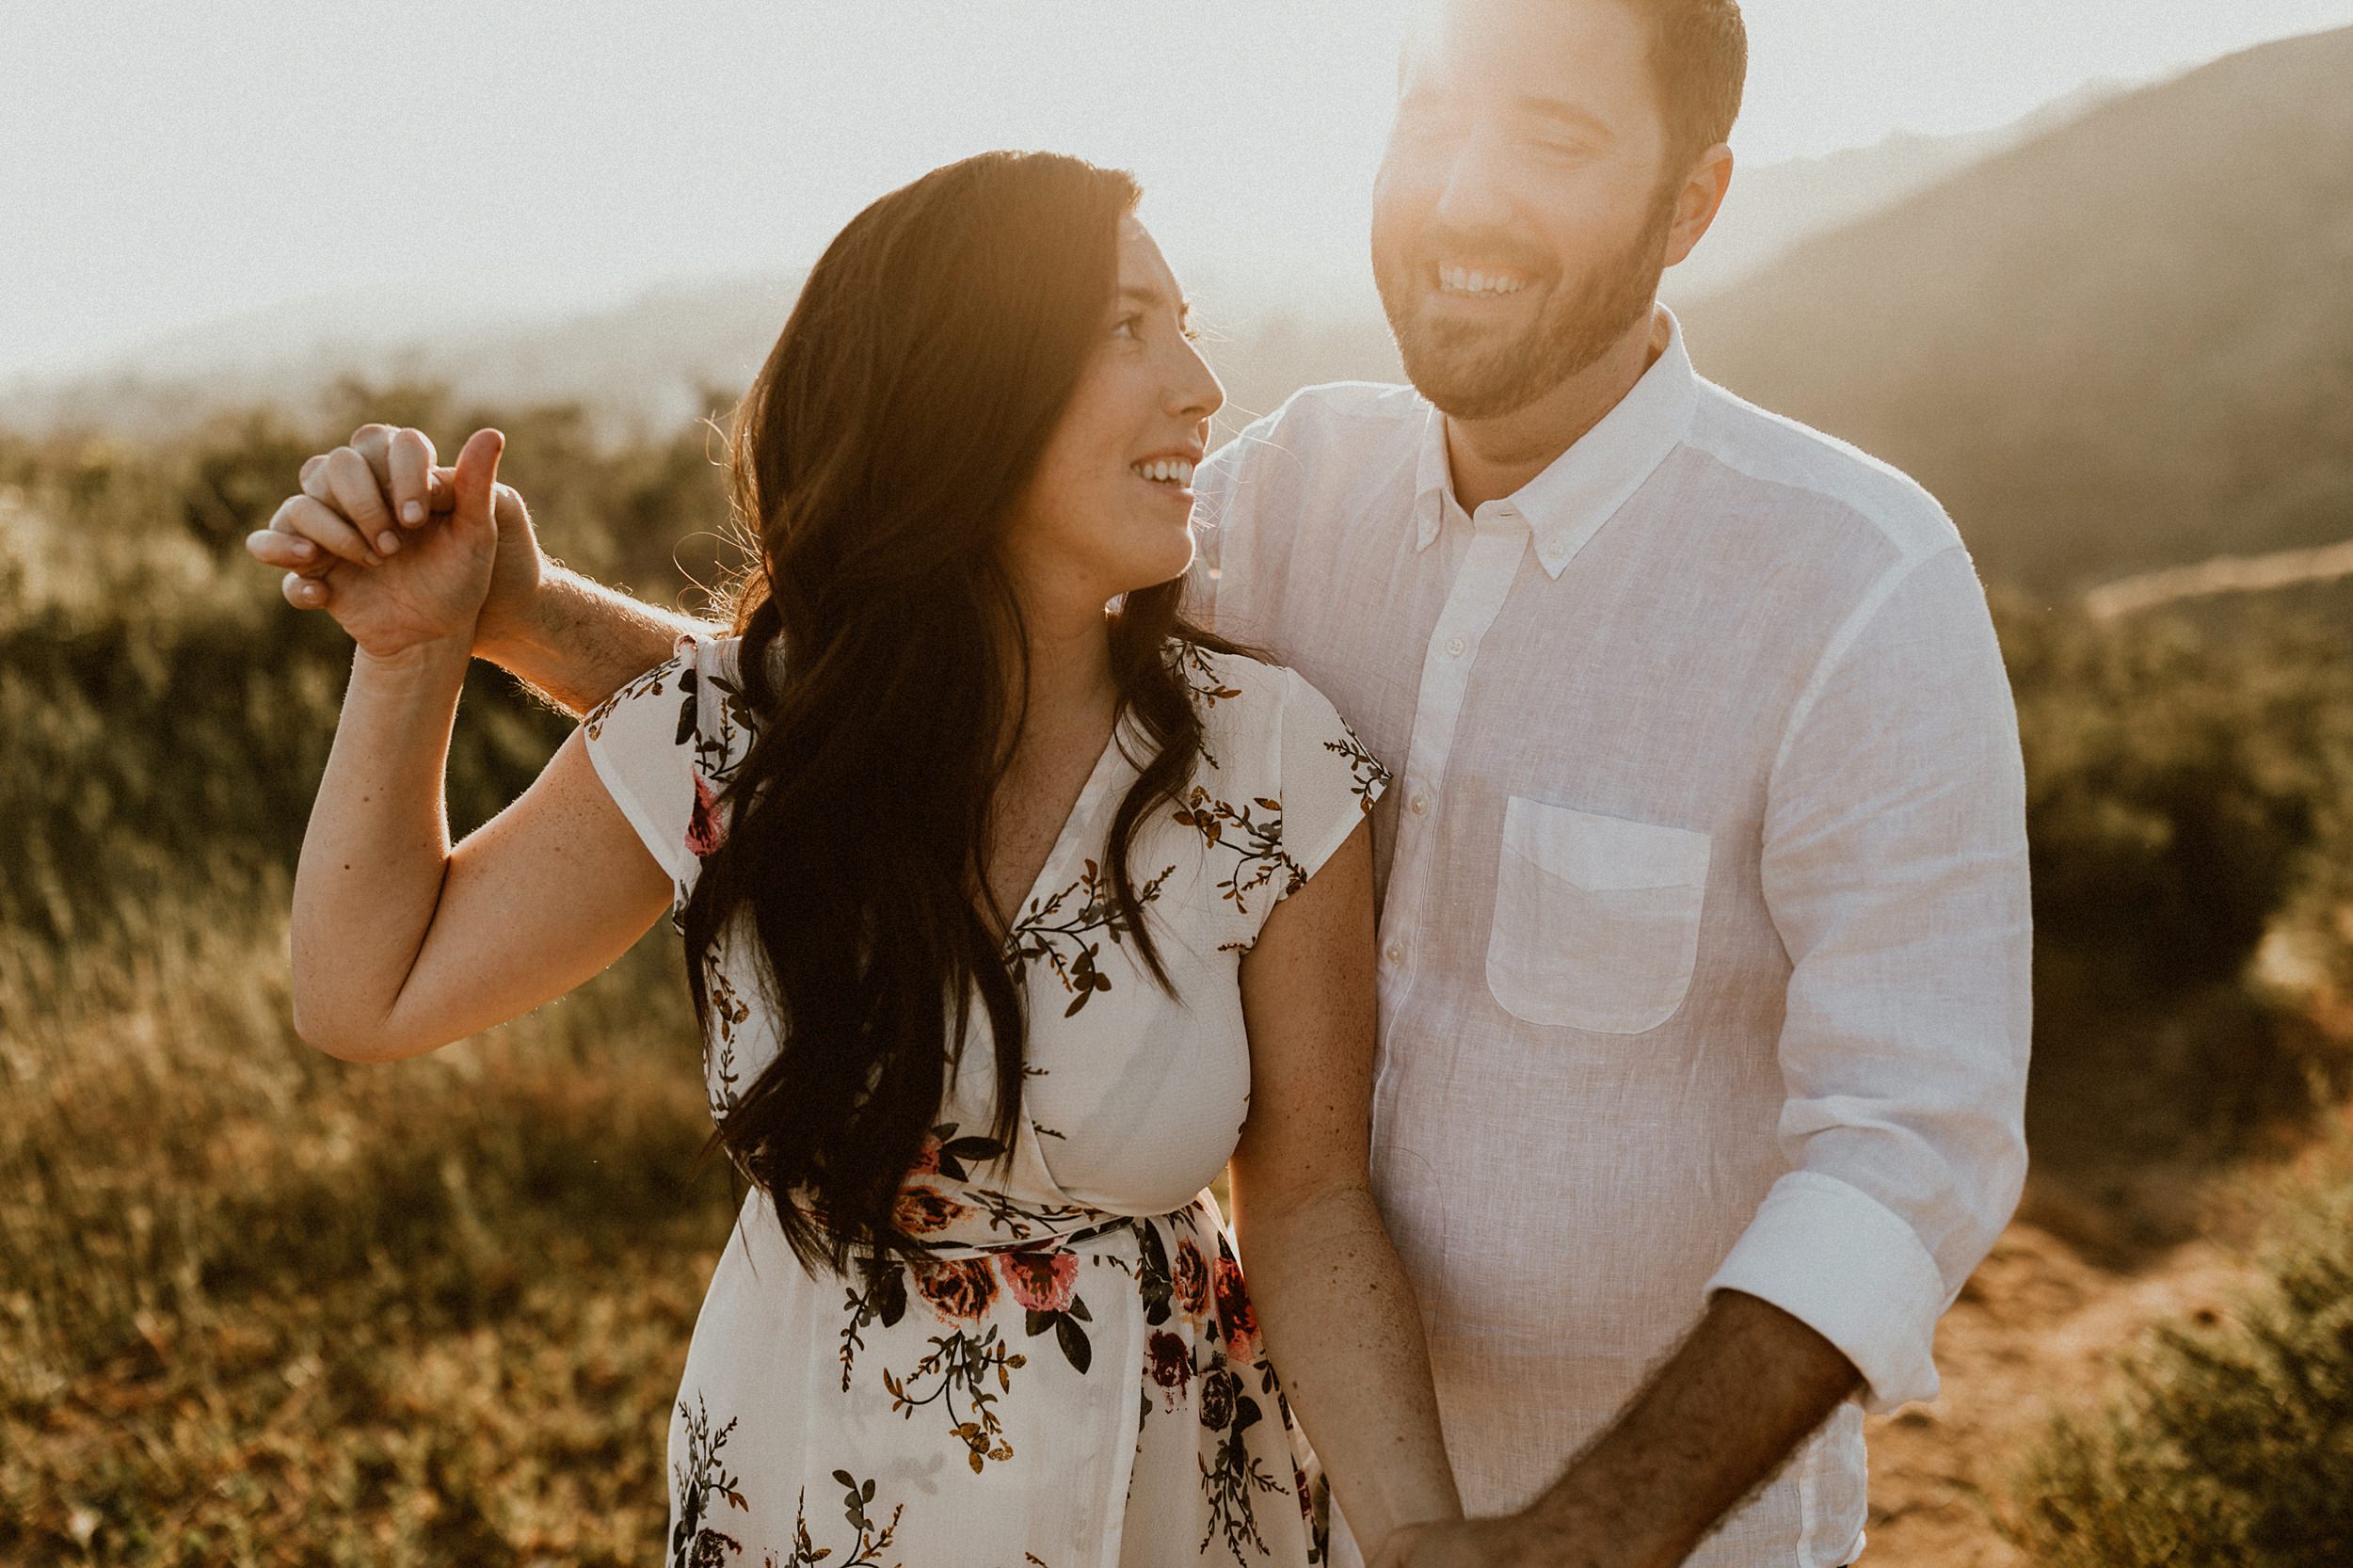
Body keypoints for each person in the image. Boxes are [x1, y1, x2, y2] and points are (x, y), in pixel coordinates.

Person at [257, 2, 2035, 1564]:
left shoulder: (1848, 585)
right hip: (1036, 1487)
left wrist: (1584, 1529)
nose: (1465, 187)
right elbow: (891, 700)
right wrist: (488, 618)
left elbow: (1911, 1142)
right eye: (1431, 114)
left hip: (1615, 1526)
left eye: (1555, 136)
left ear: (1695, 199)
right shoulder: (1282, 497)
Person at [271, 149, 1463, 1568]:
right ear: (966, 388)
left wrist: (1430, 1539)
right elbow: (370, 993)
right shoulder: (738, 738)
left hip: (1168, 1498)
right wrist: (414, 650)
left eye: (1185, 324)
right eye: (1127, 329)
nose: (1202, 384)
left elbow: (1314, 1201)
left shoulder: (1269, 760)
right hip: (815, 1491)